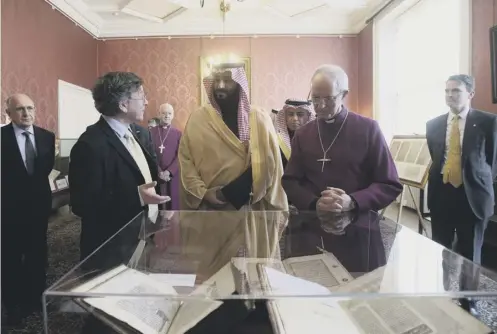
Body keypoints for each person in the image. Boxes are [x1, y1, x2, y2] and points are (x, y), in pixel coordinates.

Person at [179, 63, 288, 277]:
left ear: (239, 83)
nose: (220, 85)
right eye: (216, 80)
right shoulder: (198, 119)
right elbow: (186, 162)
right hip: (213, 215)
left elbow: (270, 163)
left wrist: (241, 192)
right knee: (214, 281)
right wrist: (203, 193)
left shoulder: (258, 117)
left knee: (253, 278)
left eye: (227, 80)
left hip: (251, 212)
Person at [282, 64, 402, 233]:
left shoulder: (368, 129)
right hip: (312, 227)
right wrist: (314, 202)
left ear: (344, 94)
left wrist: (353, 201)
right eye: (315, 98)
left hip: (358, 225)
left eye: (329, 98)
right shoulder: (303, 134)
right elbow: (290, 181)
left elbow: (389, 184)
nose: (320, 105)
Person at [69, 72, 169, 262]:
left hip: (144, 234)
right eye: (142, 97)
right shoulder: (90, 145)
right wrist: (137, 197)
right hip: (111, 245)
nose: (147, 102)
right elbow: (83, 204)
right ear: (123, 104)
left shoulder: (141, 134)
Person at [426, 74, 497, 313]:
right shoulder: (433, 125)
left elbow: (492, 163)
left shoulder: (488, 122)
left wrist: (477, 181)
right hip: (442, 196)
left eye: (455, 91)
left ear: (470, 94)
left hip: (473, 198)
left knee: (470, 252)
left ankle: (469, 301)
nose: (450, 95)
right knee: (441, 248)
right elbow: (436, 159)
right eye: (447, 91)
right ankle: (442, 292)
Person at [1, 94, 55, 324]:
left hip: (39, 207)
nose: (26, 113)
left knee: (37, 252)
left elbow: (45, 170)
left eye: (30, 108)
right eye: (20, 109)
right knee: (10, 256)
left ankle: (36, 297)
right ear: (9, 112)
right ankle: (13, 304)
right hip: (9, 209)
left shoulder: (46, 137)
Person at [150, 103, 182, 210]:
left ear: (173, 115)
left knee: (172, 207)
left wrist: (169, 172)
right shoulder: (150, 132)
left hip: (172, 177)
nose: (167, 116)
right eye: (164, 113)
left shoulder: (178, 134)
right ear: (159, 114)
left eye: (169, 113)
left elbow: (181, 155)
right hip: (156, 176)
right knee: (156, 208)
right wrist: (159, 171)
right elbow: (149, 154)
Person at [274, 99, 315, 169]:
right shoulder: (277, 140)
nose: (295, 118)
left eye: (300, 115)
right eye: (290, 114)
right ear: (285, 117)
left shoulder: (316, 139)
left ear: (308, 117)